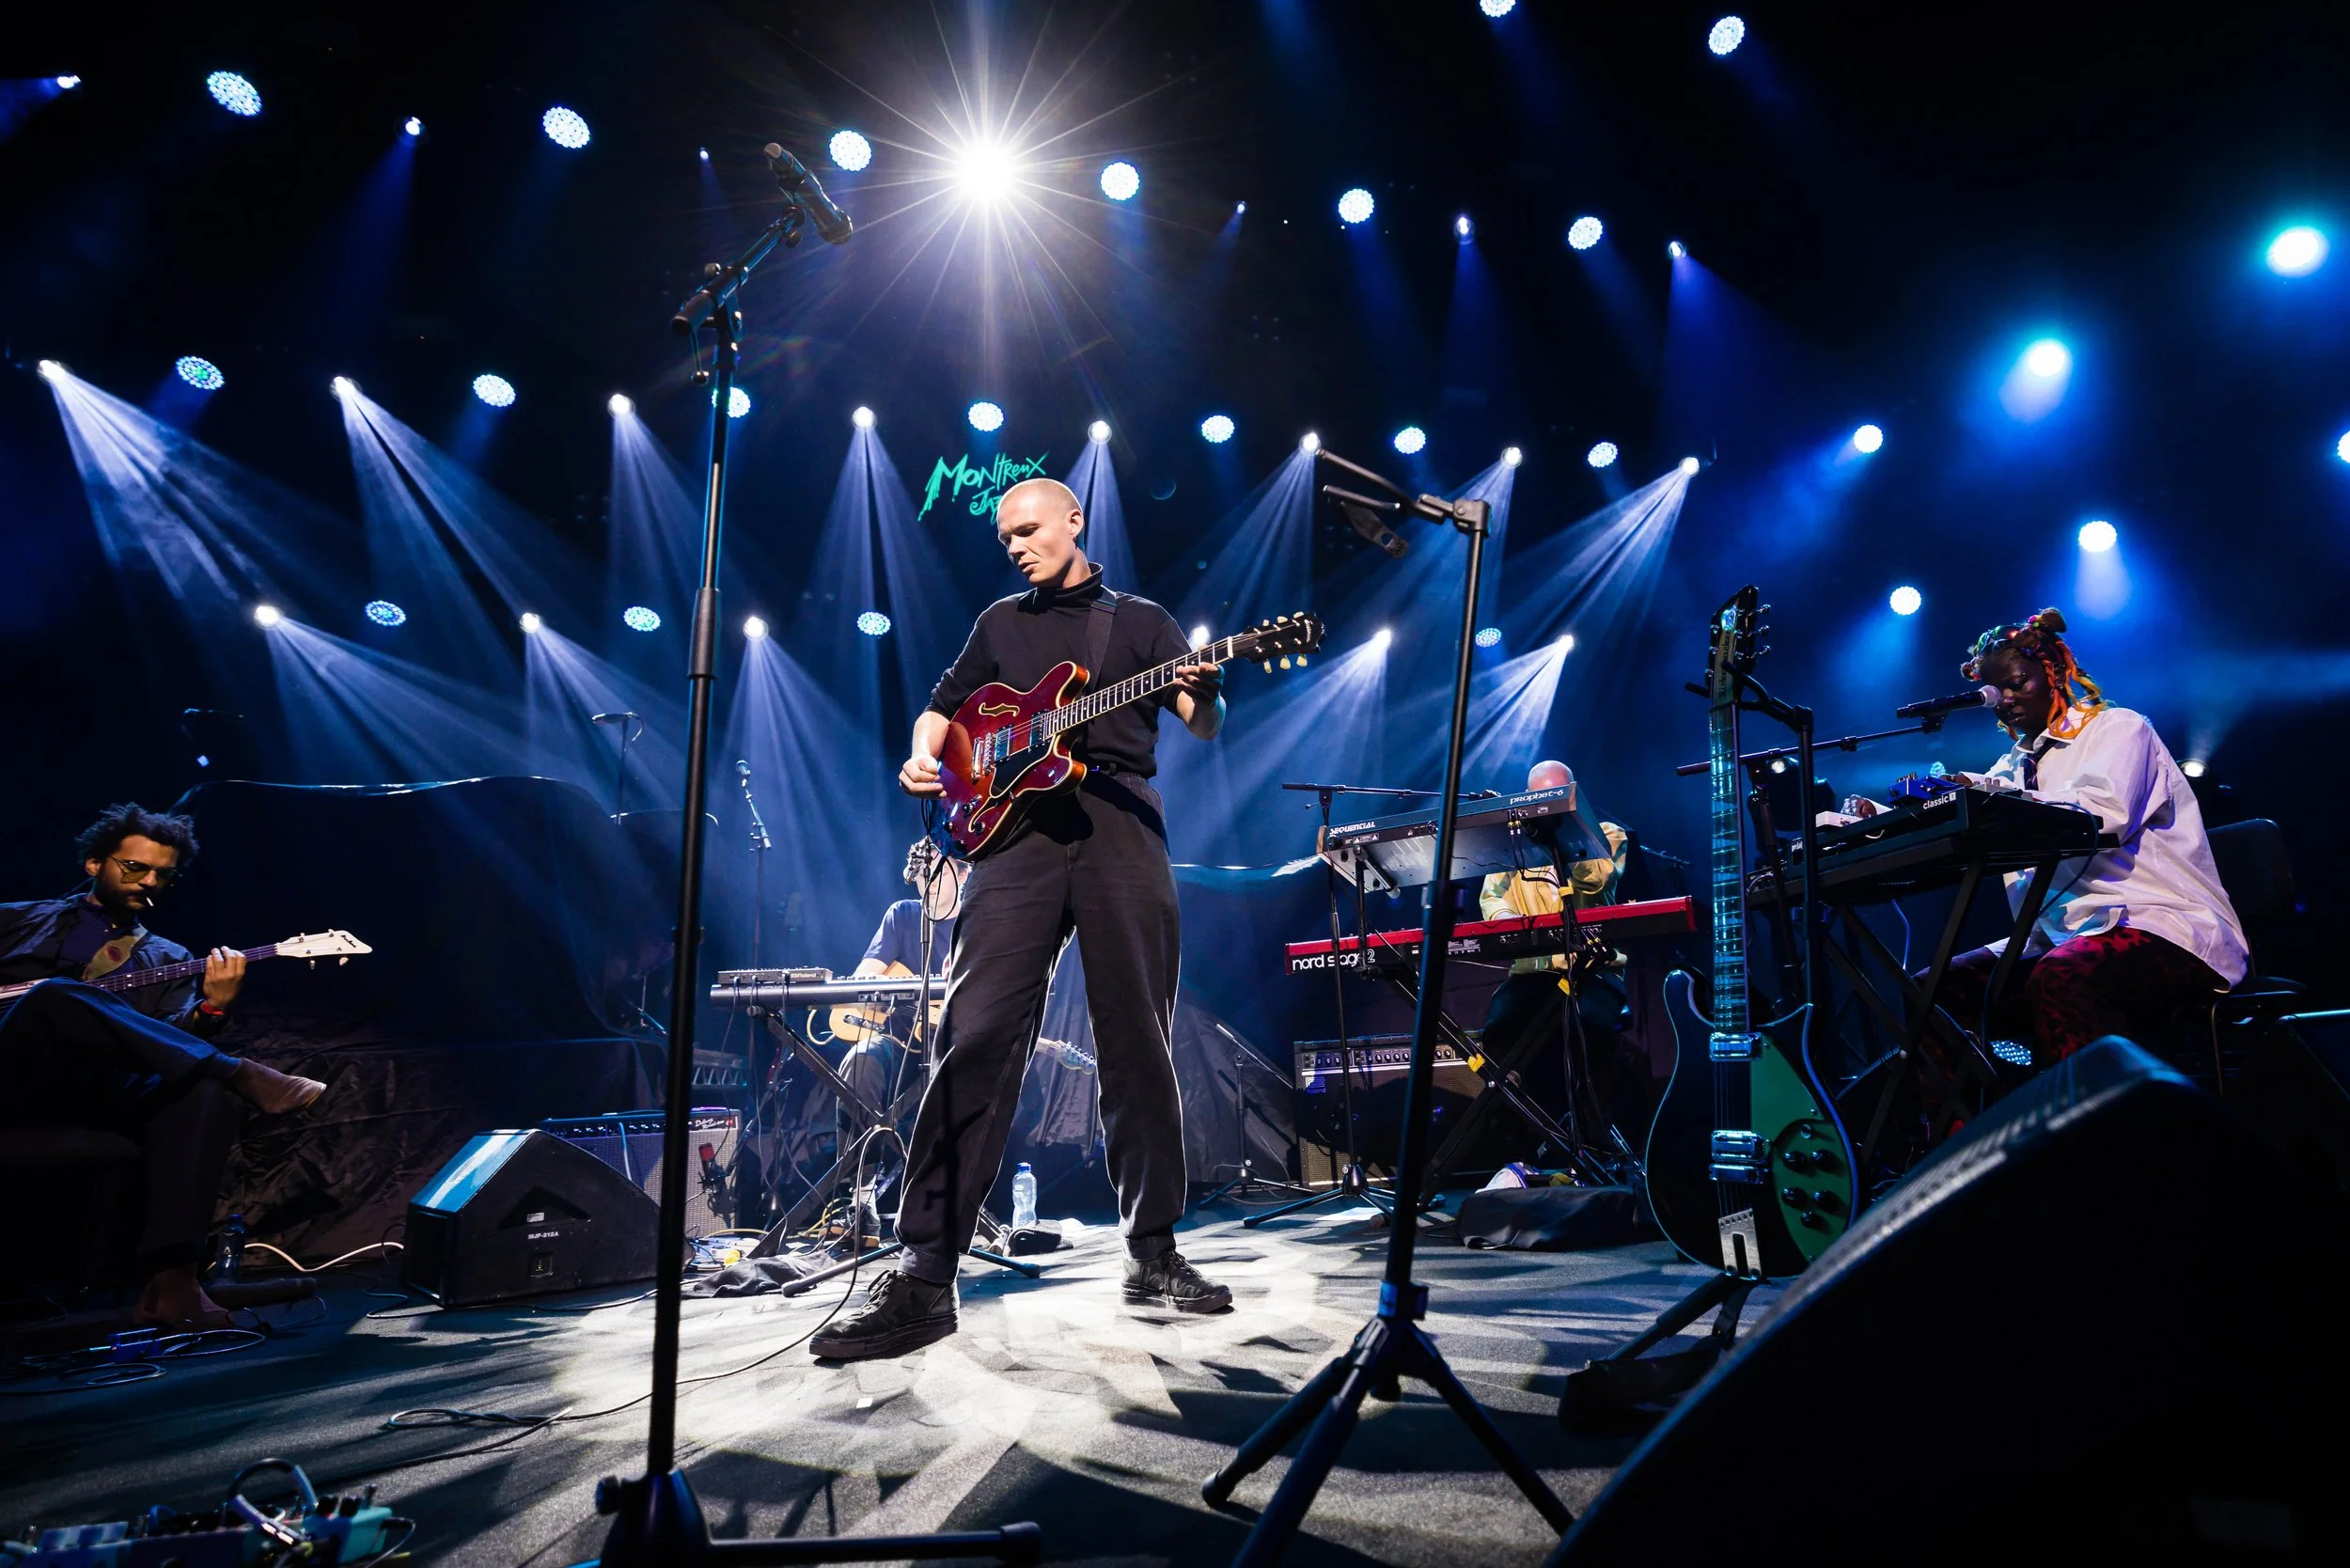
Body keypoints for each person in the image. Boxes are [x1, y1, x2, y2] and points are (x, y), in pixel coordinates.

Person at [811, 476, 1230, 1360]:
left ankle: (1153, 1253)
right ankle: (926, 1275)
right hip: (1010, 843)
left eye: (1030, 530)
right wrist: (927, 758)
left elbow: (1203, 725)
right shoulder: (1001, 623)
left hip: (1120, 826)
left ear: (1075, 521)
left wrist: (1209, 684)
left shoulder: (1145, 621)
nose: (1016, 546)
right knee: (977, 1037)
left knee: (1137, 1041)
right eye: (1006, 538)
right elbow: (943, 710)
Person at [0, 805, 327, 1328]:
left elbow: (165, 1046)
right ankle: (239, 1071)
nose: (149, 881)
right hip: (11, 1074)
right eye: (135, 868)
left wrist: (211, 1009)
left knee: (201, 1091)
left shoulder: (168, 957)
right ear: (94, 864)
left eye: (163, 875)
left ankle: (173, 1282)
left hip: (89, 1090)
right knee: (55, 995)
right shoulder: (16, 919)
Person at [1918, 609, 2247, 1060]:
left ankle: (2103, 1126)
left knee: (2062, 975)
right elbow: (1977, 797)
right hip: (2062, 938)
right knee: (1932, 991)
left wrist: (2000, 797)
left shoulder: (2117, 728)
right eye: (1996, 692)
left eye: (2018, 683)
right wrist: (1872, 814)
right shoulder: (2013, 766)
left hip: (2160, 926)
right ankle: (1983, 1126)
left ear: (2053, 674)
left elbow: (2105, 815)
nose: (2006, 699)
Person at [1473, 760, 1634, 1137]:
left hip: (1594, 971)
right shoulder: (1511, 845)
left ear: (1572, 795)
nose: (1545, 805)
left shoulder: (1608, 834)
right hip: (1534, 972)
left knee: (1591, 1029)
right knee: (1499, 1032)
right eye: (1538, 799)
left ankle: (1593, 1141)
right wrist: (1518, 926)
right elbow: (1492, 896)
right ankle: (1528, 1136)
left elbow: (1595, 879)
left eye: (1555, 798)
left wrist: (1559, 831)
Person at [831, 839, 968, 1152]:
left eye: (939, 873)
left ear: (962, 875)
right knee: (859, 1063)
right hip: (895, 1042)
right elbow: (862, 979)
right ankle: (860, 1189)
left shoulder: (977, 923)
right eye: (922, 872)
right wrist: (875, 988)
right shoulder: (903, 915)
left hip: (953, 1044)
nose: (929, 881)